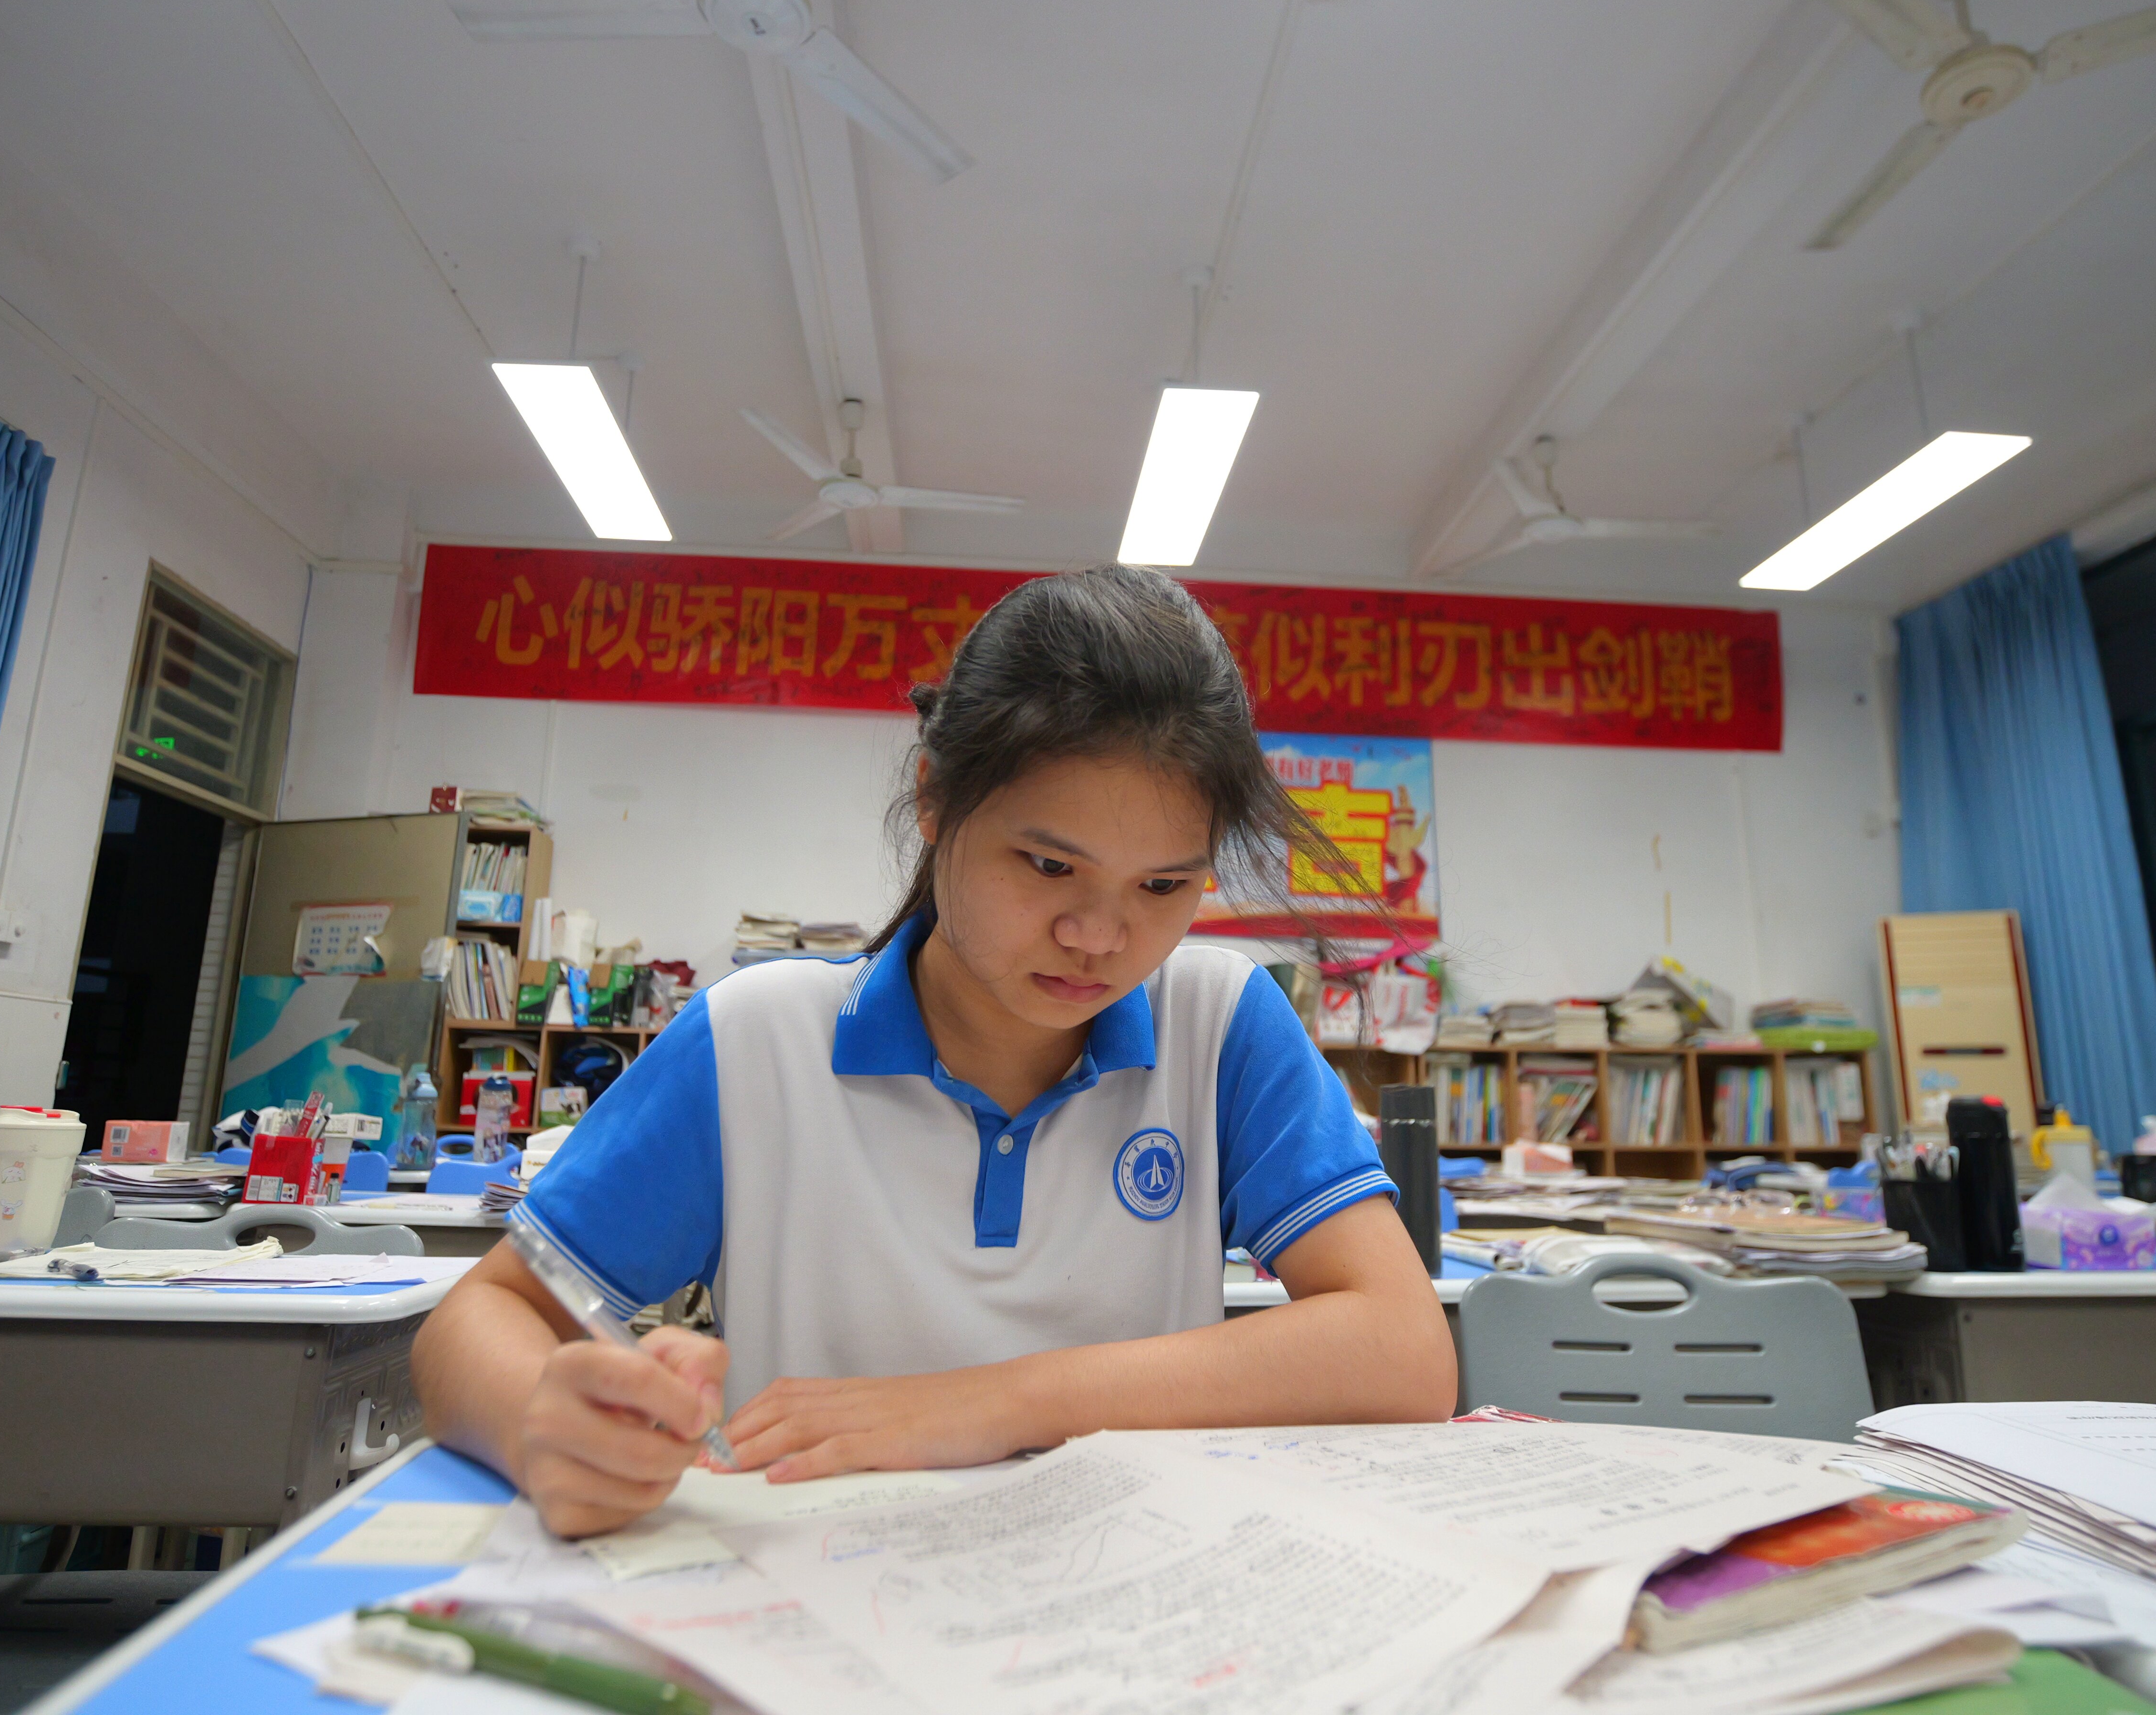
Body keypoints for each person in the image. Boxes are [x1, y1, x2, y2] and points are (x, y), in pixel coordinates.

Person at [414, 565, 1456, 1536]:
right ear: (934, 797)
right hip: (810, 1596)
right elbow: (478, 1318)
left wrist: (993, 1401)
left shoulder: (1219, 1023)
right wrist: (544, 1422)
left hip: (1128, 1602)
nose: (1100, 936)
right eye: (1048, 865)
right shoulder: (756, 1043)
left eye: (1163, 885)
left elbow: (1406, 1350)